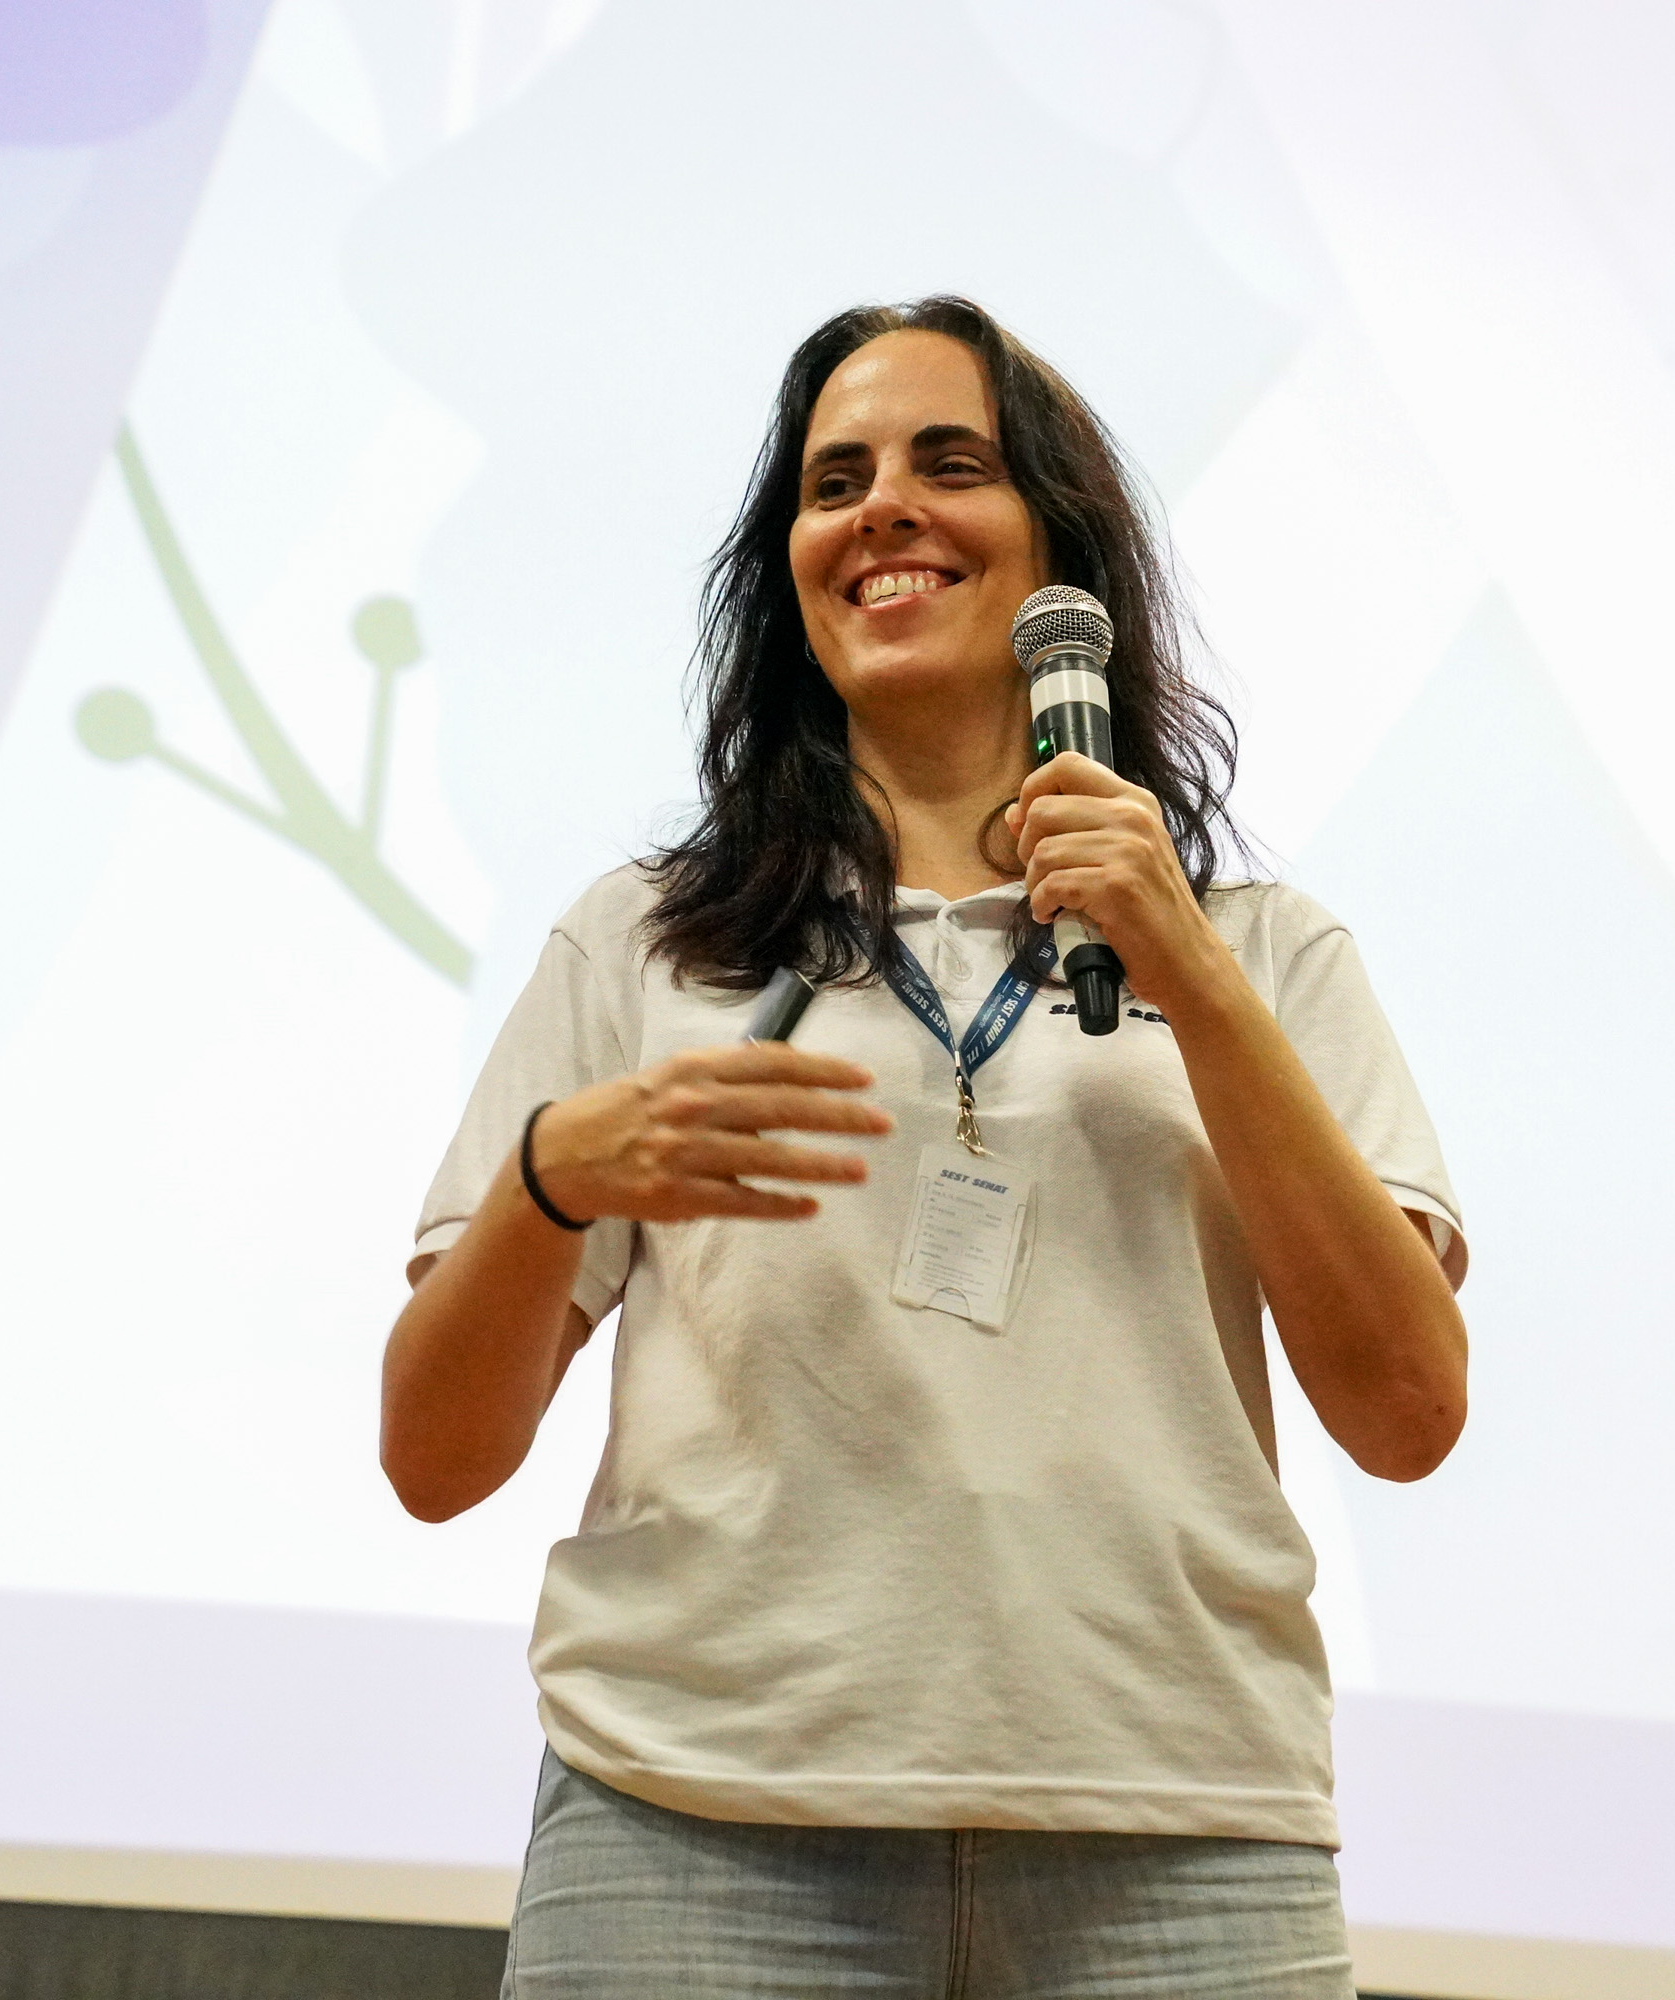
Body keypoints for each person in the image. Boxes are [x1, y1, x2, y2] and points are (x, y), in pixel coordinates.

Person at [383, 295, 1469, 1999]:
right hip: (693, 1829)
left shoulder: (1265, 953)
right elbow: (433, 1458)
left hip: (1176, 1834)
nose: (884, 506)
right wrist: (550, 1182)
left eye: (949, 464)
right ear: (794, 578)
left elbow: (1408, 1414)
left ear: (1062, 558)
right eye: (835, 482)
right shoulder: (652, 945)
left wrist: (1183, 963)